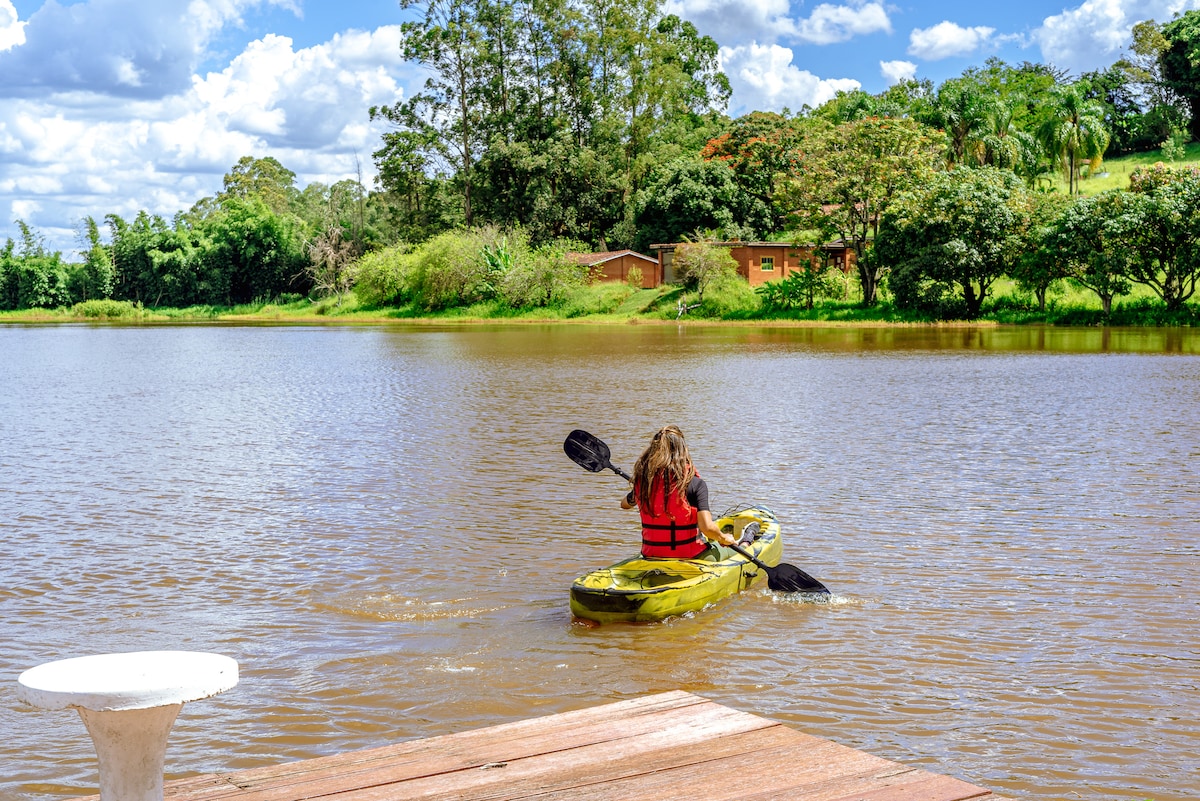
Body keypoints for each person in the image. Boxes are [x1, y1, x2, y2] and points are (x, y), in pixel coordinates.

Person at [619, 425, 737, 561]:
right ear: (683, 450)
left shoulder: (645, 484)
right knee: (732, 549)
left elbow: (624, 504)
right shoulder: (695, 484)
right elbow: (707, 528)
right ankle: (746, 543)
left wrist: (638, 491)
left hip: (650, 556)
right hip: (691, 557)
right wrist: (724, 538)